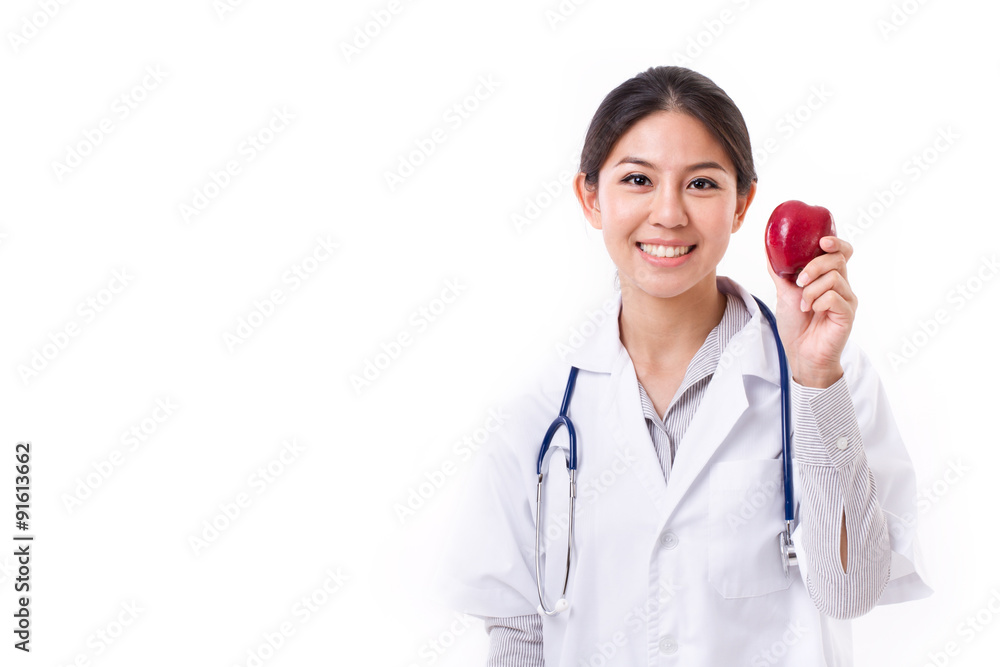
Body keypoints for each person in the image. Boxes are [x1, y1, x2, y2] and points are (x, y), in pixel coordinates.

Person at [434, 65, 931, 666]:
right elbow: (517, 637)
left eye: (701, 184)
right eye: (638, 179)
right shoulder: (539, 415)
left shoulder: (827, 378)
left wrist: (815, 378)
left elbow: (849, 593)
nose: (668, 214)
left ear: (742, 204)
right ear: (591, 198)